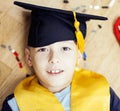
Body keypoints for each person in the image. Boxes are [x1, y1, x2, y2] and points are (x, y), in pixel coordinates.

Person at [1, 1, 120, 111]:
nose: (54, 59)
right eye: (43, 49)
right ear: (29, 57)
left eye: (65, 48)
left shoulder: (103, 93)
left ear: (78, 55)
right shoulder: (15, 105)